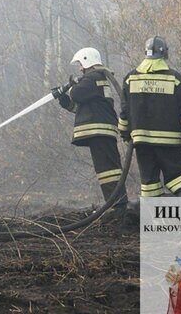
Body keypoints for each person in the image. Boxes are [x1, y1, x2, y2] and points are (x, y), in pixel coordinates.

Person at [118, 36, 181, 197]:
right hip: (170, 143)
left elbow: (124, 113)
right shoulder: (175, 79)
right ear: (165, 53)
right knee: (180, 180)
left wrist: (126, 135)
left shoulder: (130, 78)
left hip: (142, 143)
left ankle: (156, 221)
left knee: (150, 184)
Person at [54, 47, 128, 211]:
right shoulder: (97, 79)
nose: (79, 69)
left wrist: (70, 86)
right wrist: (64, 100)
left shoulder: (93, 77)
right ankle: (117, 203)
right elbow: (82, 108)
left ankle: (118, 205)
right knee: (107, 169)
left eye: (80, 64)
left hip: (100, 131)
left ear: (87, 61)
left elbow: (77, 94)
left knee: (108, 170)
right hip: (101, 131)